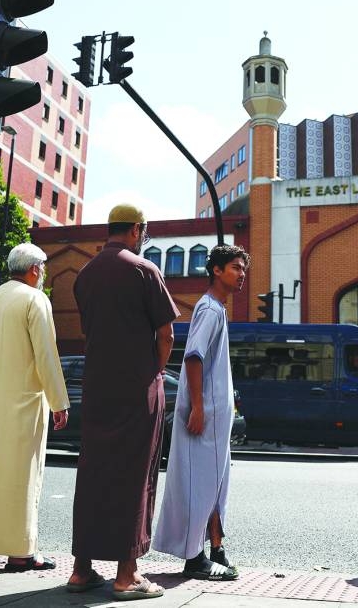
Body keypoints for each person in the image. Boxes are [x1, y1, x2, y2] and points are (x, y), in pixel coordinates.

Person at [68, 204, 179, 599]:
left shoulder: (85, 274)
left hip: (97, 388)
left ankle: (81, 570)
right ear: (136, 230)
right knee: (135, 476)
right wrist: (155, 371)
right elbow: (166, 334)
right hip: (137, 389)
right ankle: (126, 575)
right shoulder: (144, 270)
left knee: (93, 473)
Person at [0, 244, 69, 571]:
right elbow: (46, 356)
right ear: (35, 269)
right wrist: (59, 401)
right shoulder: (35, 299)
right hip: (24, 403)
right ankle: (20, 552)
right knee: (22, 478)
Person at [153, 244, 249, 581]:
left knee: (216, 485)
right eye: (236, 268)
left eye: (243, 269)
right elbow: (193, 357)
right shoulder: (208, 309)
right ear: (217, 270)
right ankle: (195, 559)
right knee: (199, 486)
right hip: (202, 418)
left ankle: (215, 548)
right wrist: (196, 406)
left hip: (214, 420)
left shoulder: (217, 309)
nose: (241, 275)